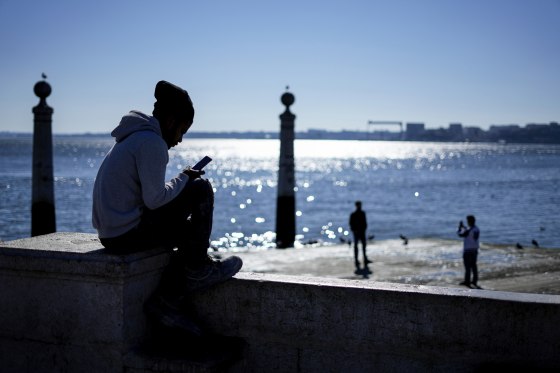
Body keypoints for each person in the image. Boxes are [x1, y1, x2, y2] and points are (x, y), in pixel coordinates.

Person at [92, 80, 242, 334]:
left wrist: (182, 177)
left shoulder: (132, 138)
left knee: (187, 233)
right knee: (201, 189)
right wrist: (186, 179)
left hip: (112, 235)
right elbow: (155, 200)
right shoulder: (152, 143)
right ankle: (197, 271)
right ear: (171, 121)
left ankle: (168, 298)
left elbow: (152, 197)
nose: (180, 139)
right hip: (127, 235)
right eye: (182, 130)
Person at [457, 215, 481, 289]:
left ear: (469, 221)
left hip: (468, 251)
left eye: (468, 221)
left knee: (468, 267)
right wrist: (462, 227)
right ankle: (473, 281)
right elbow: (463, 233)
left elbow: (461, 234)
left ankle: (468, 281)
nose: (467, 222)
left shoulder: (471, 229)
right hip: (474, 250)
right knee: (473, 266)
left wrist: (460, 228)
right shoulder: (476, 229)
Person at [349, 201, 371, 274]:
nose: (359, 206)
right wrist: (354, 231)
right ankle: (356, 260)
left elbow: (365, 223)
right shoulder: (353, 214)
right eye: (358, 205)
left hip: (362, 232)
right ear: (356, 206)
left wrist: (363, 230)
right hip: (356, 233)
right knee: (356, 247)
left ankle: (365, 259)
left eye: (360, 205)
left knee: (364, 246)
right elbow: (351, 224)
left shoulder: (362, 213)